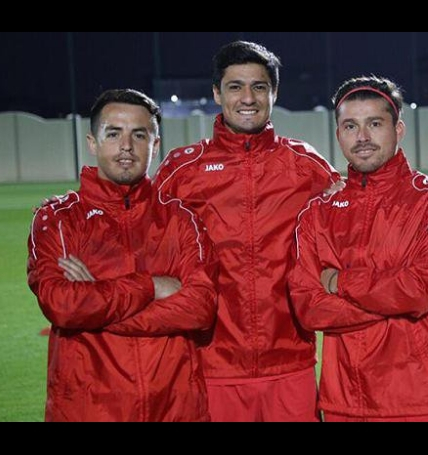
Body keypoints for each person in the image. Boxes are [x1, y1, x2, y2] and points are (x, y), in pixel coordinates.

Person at [153, 41, 341, 422]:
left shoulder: (305, 163)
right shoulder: (183, 170)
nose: (247, 98)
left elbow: (356, 209)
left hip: (291, 359)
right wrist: (68, 206)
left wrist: (427, 185)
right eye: (235, 86)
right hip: (213, 361)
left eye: (259, 86)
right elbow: (134, 222)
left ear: (274, 93)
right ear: (216, 93)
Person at [27, 89, 218, 422]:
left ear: (155, 145)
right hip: (88, 411)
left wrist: (98, 307)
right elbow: (63, 305)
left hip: (174, 409)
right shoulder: (58, 219)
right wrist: (150, 288)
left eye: (139, 135)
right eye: (113, 133)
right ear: (93, 142)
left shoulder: (181, 219)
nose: (126, 146)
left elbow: (200, 308)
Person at [289, 76, 428, 422]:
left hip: (424, 400)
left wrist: (340, 284)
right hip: (346, 403)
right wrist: (396, 303)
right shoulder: (318, 212)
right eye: (350, 126)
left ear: (398, 128)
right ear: (338, 134)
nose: (363, 137)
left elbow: (418, 290)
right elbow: (309, 310)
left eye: (375, 123)